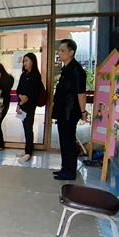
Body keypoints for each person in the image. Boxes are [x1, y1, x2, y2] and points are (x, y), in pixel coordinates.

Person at [51, 39, 87, 180]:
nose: (59, 53)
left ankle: (70, 172)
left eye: (62, 51)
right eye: (59, 51)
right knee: (64, 141)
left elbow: (81, 94)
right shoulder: (66, 69)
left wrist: (83, 112)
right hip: (62, 110)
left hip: (70, 111)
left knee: (69, 141)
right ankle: (65, 168)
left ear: (71, 52)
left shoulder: (77, 70)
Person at [15, 53, 42, 164]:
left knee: (28, 127)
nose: (25, 63)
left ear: (32, 62)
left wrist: (23, 100)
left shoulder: (36, 76)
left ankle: (29, 152)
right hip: (22, 104)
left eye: (27, 61)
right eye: (24, 61)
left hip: (30, 105)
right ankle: (27, 149)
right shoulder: (23, 75)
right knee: (25, 127)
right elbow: (18, 89)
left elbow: (32, 93)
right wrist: (20, 99)